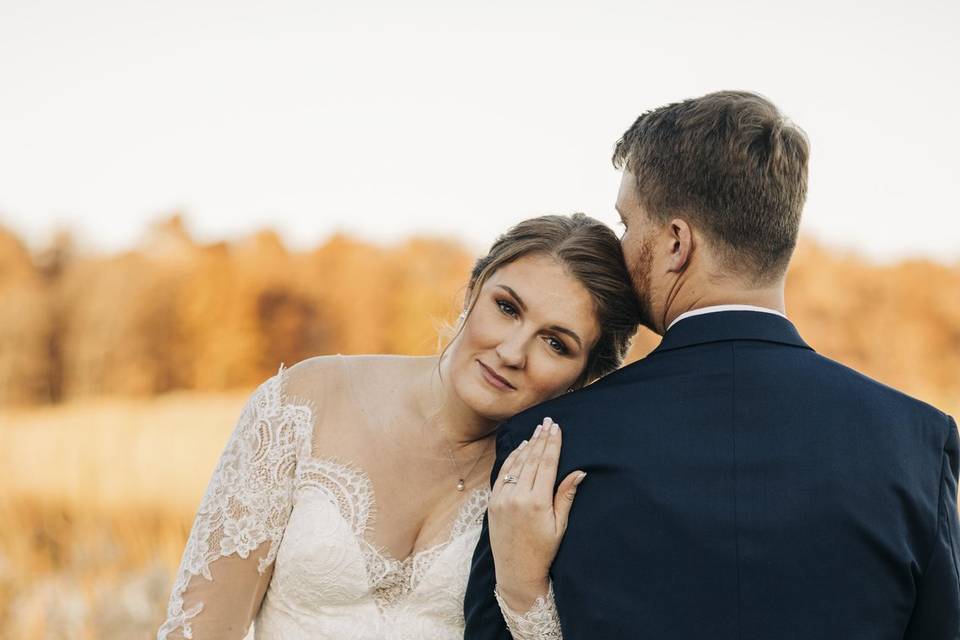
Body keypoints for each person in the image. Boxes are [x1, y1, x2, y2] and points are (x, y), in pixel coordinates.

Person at [465, 91, 960, 639]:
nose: (622, 247)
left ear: (677, 244)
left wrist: (519, 589)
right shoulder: (917, 441)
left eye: (628, 225)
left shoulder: (549, 444)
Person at [156, 213, 641, 639]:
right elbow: (198, 631)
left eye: (555, 344)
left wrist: (524, 587)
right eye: (507, 308)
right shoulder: (305, 403)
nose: (513, 352)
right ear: (474, 288)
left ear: (586, 376)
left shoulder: (566, 485)